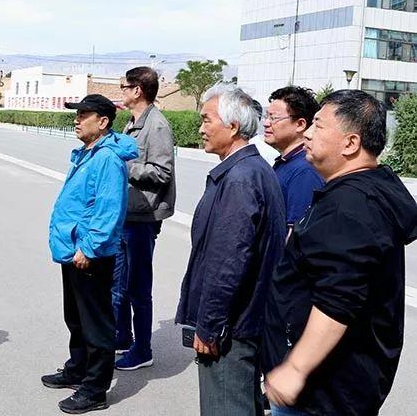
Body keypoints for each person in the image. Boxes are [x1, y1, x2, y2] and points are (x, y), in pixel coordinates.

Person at [263, 90, 417, 416]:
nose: (306, 133)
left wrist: (296, 368)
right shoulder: (363, 190)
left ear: (350, 144)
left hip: (324, 394)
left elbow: (338, 299)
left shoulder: (350, 207)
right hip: (334, 387)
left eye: (318, 126)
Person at [175, 84, 286, 416]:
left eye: (207, 120)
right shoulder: (248, 171)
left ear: (233, 126)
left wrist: (209, 325)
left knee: (226, 405)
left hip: (231, 331)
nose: (200, 128)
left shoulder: (240, 179)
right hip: (244, 323)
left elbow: (227, 263)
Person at [41, 94, 138, 414]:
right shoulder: (89, 153)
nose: (77, 120)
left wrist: (90, 248)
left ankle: (95, 388)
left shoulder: (107, 157)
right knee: (76, 316)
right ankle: (78, 368)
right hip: (74, 248)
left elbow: (108, 209)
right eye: (77, 114)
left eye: (84, 115)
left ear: (103, 122)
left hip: (89, 253)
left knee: (96, 322)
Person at [112, 67, 176, 371]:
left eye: (124, 87)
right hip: (127, 215)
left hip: (143, 218)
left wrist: (126, 169)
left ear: (137, 90)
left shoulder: (157, 126)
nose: (121, 92)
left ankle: (143, 349)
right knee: (119, 284)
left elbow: (162, 173)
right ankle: (122, 337)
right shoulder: (133, 123)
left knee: (138, 287)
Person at [262, 87, 323, 234]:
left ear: (300, 124)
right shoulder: (286, 162)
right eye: (266, 116)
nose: (265, 123)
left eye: (273, 118)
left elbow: (296, 233)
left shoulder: (304, 171)